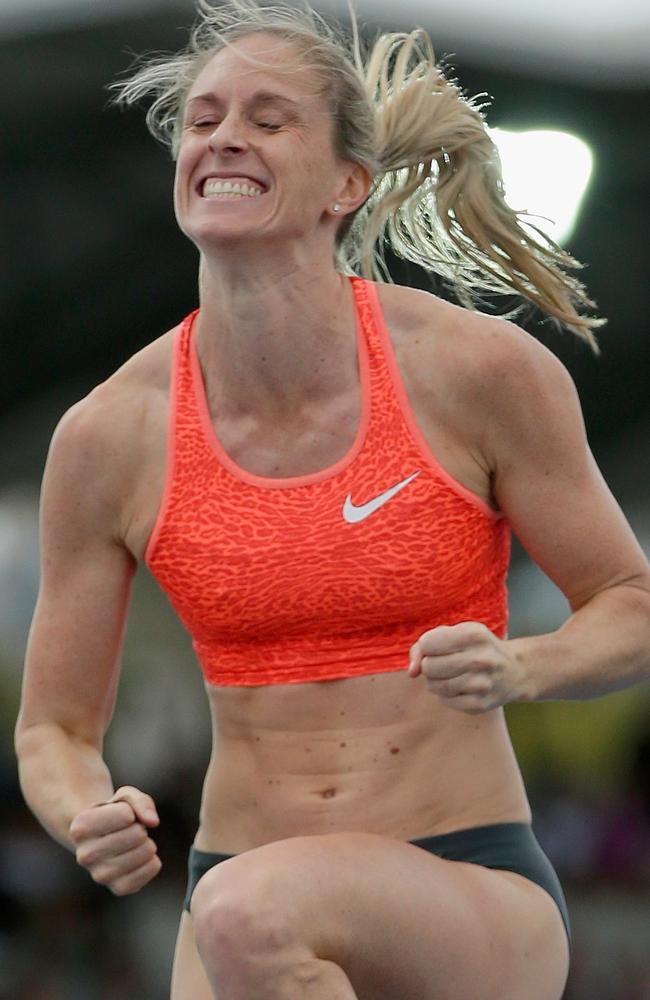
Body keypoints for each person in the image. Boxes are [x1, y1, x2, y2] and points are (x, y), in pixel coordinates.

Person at [14, 0, 650, 997]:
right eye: (204, 118)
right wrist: (80, 805)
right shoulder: (109, 436)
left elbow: (629, 603)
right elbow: (53, 727)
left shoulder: (473, 374)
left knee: (252, 919)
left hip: (463, 878)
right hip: (227, 891)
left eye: (266, 119)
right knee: (245, 917)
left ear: (345, 184)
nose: (223, 135)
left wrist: (525, 663)